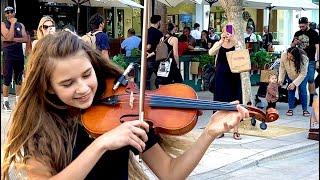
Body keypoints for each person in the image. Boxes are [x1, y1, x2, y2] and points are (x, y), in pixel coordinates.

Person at [1, 31, 249, 179]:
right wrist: (101, 144)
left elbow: (170, 173)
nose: (84, 88)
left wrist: (209, 133)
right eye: (67, 83)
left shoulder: (126, 109)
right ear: (48, 87)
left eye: (87, 75)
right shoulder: (39, 128)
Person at [208, 24, 242, 140]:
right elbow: (211, 52)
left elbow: (242, 54)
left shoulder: (237, 43)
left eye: (230, 31)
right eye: (226, 31)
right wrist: (221, 41)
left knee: (235, 102)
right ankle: (219, 129)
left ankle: (236, 129)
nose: (228, 33)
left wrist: (235, 41)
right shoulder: (219, 43)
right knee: (219, 101)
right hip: (221, 76)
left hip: (234, 76)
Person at [1, 6, 28, 111]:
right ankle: (5, 102)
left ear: (14, 13)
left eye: (11, 12)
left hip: (19, 54)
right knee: (7, 79)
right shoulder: (3, 24)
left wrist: (11, 39)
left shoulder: (20, 25)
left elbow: (25, 38)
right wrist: (12, 24)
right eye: (7, 12)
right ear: (5, 14)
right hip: (8, 54)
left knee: (18, 78)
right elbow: (8, 38)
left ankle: (18, 101)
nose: (9, 14)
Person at [291, 17, 319, 107]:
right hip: (299, 60)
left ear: (307, 24)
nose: (301, 28)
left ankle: (312, 98)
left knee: (310, 79)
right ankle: (301, 98)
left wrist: (318, 60)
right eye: (300, 26)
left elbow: (318, 47)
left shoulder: (314, 33)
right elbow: (291, 45)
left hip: (310, 59)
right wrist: (294, 43)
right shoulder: (297, 33)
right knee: (300, 79)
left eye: (303, 26)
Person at [278, 47, 310, 117]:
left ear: (296, 56)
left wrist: (294, 83)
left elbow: (303, 74)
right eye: (288, 55)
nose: (288, 57)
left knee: (302, 90)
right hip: (290, 74)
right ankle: (290, 108)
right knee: (290, 90)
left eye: (291, 56)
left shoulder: (304, 59)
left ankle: (305, 109)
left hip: (301, 76)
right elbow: (282, 68)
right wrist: (280, 80)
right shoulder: (284, 55)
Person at [155, 23, 183, 87]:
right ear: (173, 29)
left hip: (162, 62)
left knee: (163, 81)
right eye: (175, 28)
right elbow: (175, 53)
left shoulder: (161, 39)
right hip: (171, 62)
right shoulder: (174, 39)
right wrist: (177, 64)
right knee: (178, 82)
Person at [146, 15, 164, 90]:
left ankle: (145, 93)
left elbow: (141, 46)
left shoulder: (146, 31)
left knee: (146, 78)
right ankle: (160, 93)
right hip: (156, 59)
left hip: (147, 59)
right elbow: (149, 46)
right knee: (160, 78)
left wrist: (146, 53)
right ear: (158, 22)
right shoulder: (158, 33)